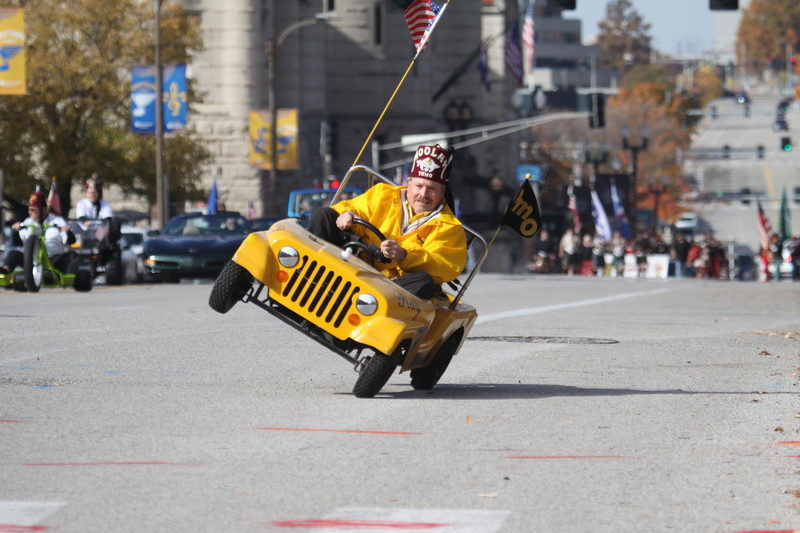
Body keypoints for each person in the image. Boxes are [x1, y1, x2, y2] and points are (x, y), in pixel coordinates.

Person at [306, 144, 467, 299]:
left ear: (442, 192)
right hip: (355, 263)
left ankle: (371, 302)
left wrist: (405, 255)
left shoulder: (450, 227)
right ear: (409, 184)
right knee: (324, 215)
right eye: (418, 186)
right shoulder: (383, 194)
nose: (423, 194)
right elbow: (356, 209)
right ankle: (312, 283)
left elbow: (443, 267)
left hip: (393, 288)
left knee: (424, 282)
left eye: (431, 188)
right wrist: (346, 215)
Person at [0, 191, 78, 275]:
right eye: (29, 209)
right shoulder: (27, 222)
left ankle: (69, 273)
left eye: (33, 210)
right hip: (32, 260)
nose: (29, 212)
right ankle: (5, 270)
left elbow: (70, 241)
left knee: (71, 255)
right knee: (13, 254)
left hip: (53, 260)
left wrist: (67, 232)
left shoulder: (57, 221)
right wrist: (15, 231)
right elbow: (18, 243)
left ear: (43, 210)